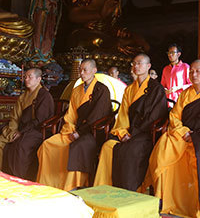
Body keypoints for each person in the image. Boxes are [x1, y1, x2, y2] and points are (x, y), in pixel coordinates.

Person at [148, 59, 200, 218]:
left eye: (198, 71)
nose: (193, 74)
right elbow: (174, 116)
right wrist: (183, 131)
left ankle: (196, 208)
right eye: (191, 71)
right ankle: (168, 201)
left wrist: (196, 136)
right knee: (164, 144)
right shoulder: (186, 93)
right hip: (184, 135)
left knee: (197, 155)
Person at [94, 54, 168, 191]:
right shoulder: (129, 89)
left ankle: (130, 190)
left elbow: (156, 116)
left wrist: (134, 133)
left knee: (131, 150)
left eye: (140, 63)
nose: (136, 66)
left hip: (145, 134)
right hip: (129, 132)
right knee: (107, 146)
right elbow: (123, 115)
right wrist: (122, 132)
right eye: (134, 63)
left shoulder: (156, 89)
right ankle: (103, 187)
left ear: (148, 66)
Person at [36, 59, 112, 191]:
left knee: (77, 147)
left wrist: (80, 132)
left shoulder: (102, 90)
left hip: (92, 131)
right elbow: (71, 113)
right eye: (80, 70)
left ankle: (73, 185)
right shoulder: (77, 90)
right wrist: (69, 128)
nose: (82, 73)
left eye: (85, 70)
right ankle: (49, 183)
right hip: (74, 129)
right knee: (48, 145)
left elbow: (97, 115)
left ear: (94, 71)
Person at [1, 68, 54, 180]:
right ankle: (4, 177)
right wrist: (13, 131)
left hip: (38, 130)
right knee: (3, 140)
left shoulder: (44, 96)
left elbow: (40, 120)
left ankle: (21, 178)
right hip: (22, 129)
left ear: (38, 79)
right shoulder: (23, 96)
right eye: (25, 77)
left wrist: (21, 132)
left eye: (30, 77)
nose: (26, 79)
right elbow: (15, 117)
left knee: (21, 145)